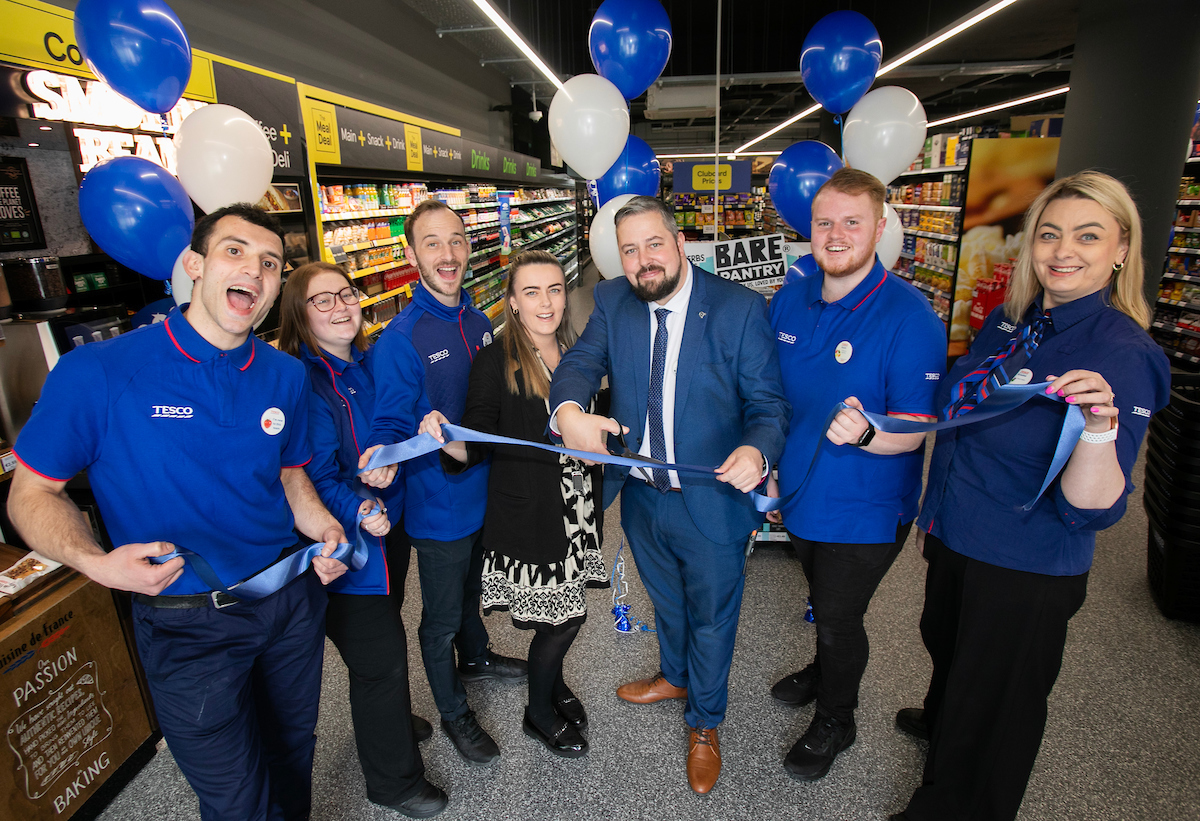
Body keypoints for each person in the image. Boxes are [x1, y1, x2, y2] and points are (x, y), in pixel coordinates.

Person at [7, 204, 349, 821]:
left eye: (270, 263)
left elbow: (289, 473)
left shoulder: (285, 375)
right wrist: (96, 563)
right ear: (194, 265)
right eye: (235, 252)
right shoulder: (99, 373)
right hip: (187, 626)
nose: (254, 269)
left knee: (293, 756)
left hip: (289, 605)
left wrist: (322, 525)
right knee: (235, 798)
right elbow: (30, 493)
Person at [891, 171, 1171, 821]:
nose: (1063, 249)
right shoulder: (1012, 322)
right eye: (1049, 233)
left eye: (1087, 235)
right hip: (959, 529)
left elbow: (1093, 508)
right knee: (951, 646)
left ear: (1121, 248)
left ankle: (955, 803)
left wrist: (1098, 433)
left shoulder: (1121, 353)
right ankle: (943, 719)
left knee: (997, 700)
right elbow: (959, 415)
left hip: (1024, 559)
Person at [549, 195, 790, 794]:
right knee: (670, 606)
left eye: (653, 244)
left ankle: (705, 722)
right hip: (642, 498)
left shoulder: (738, 309)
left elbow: (769, 406)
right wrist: (569, 410)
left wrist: (758, 451)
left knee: (711, 618)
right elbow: (579, 362)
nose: (642, 261)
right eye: (629, 250)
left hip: (711, 499)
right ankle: (675, 675)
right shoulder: (612, 300)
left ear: (680, 243)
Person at [765, 168, 948, 781]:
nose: (835, 234)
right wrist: (769, 467)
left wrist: (871, 434)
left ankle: (837, 718)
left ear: (880, 227)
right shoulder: (792, 294)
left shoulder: (910, 317)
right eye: (824, 222)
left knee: (840, 618)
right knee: (820, 600)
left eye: (852, 222)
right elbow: (773, 397)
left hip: (866, 507)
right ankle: (823, 672)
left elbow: (918, 427)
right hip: (799, 493)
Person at [419, 250, 607, 759]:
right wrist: (442, 436)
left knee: (564, 610)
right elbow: (473, 441)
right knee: (564, 619)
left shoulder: (574, 351)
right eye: (531, 292)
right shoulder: (496, 360)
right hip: (531, 515)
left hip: (574, 506)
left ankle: (553, 685)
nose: (545, 302)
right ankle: (538, 712)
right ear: (513, 303)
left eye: (553, 289)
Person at [278, 262, 446, 818]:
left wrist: (424, 427)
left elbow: (394, 427)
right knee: (380, 661)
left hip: (388, 531)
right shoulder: (303, 381)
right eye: (321, 301)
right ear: (299, 316)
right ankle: (394, 783)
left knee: (387, 635)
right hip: (341, 544)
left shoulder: (372, 364)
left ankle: (389, 722)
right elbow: (312, 473)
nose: (340, 307)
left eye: (346, 295)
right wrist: (360, 508)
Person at [362, 198, 526, 766]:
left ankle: (477, 655)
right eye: (432, 243)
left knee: (473, 594)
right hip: (438, 508)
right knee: (437, 621)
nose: (448, 253)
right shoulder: (400, 339)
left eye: (456, 239)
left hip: (488, 497)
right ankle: (454, 712)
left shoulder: (481, 322)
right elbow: (387, 420)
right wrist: (381, 456)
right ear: (412, 255)